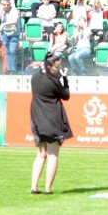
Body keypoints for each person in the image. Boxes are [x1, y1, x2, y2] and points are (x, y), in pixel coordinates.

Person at [30, 55, 72, 194]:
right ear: (49, 66)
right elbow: (66, 95)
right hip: (52, 121)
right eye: (57, 67)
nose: (59, 70)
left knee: (40, 155)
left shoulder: (35, 78)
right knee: (52, 155)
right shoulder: (54, 83)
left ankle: (34, 187)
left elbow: (42, 74)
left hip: (37, 121)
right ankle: (48, 189)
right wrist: (64, 79)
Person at [0, 0, 21, 73]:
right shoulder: (2, 10)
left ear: (10, 4)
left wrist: (3, 24)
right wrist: (1, 11)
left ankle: (13, 69)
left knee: (12, 51)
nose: (6, 6)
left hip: (14, 33)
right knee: (7, 51)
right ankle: (9, 69)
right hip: (5, 33)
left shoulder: (14, 10)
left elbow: (14, 21)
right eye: (4, 5)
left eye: (7, 5)